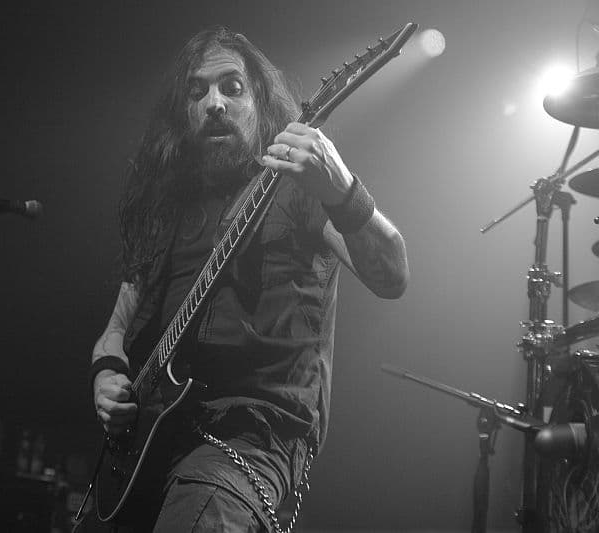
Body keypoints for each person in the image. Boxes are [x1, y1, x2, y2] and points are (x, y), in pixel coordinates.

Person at [88, 26, 409, 533]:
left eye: (232, 88)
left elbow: (392, 275)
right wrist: (107, 376)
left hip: (251, 435)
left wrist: (342, 189)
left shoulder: (299, 187)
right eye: (198, 92)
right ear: (183, 112)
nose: (214, 103)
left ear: (260, 100)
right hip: (149, 440)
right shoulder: (166, 213)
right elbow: (114, 332)